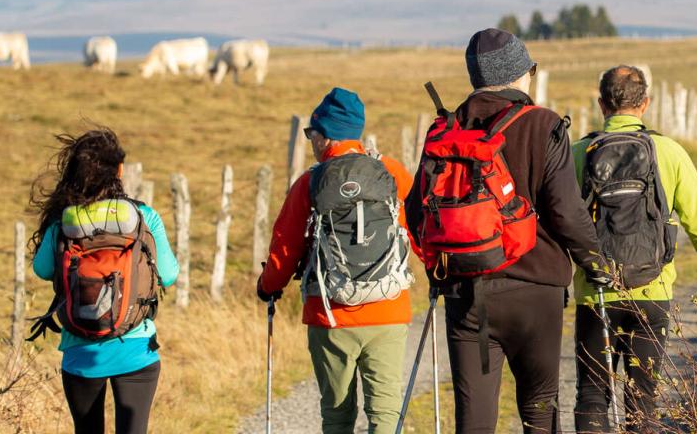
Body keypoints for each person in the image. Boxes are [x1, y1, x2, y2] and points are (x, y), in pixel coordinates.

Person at [407, 28, 609, 434]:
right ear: (521, 73)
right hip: (536, 294)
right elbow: (566, 212)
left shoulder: (446, 129)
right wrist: (597, 263)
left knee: (475, 421)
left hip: (468, 296)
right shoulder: (543, 125)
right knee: (539, 412)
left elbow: (415, 212)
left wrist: (440, 268)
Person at [255, 87, 416, 434]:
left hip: (330, 316)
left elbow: (285, 249)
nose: (311, 140)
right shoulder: (390, 171)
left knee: (337, 415)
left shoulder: (310, 183)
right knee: (385, 414)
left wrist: (268, 287)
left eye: (312, 133)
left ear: (324, 137)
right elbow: (417, 228)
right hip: (388, 309)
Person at [570, 66, 697, 433]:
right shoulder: (668, 151)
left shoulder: (577, 153)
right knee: (642, 398)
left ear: (602, 103)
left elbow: (559, 223)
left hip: (596, 293)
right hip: (652, 292)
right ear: (645, 104)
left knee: (592, 395)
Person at [27, 129, 178, 434]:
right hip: (136, 347)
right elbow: (170, 274)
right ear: (119, 170)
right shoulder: (144, 216)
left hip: (81, 352)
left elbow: (42, 269)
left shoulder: (65, 222)